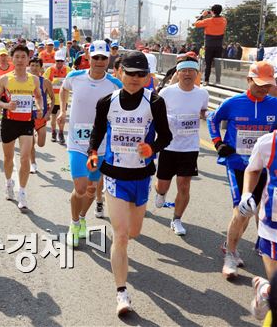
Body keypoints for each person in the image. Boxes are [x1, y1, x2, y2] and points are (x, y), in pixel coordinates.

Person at [87, 51, 172, 315]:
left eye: (140, 74)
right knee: (121, 235)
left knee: (134, 232)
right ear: (118, 72)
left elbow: (166, 136)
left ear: (147, 77)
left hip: (141, 176)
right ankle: (121, 293)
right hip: (114, 174)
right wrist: (92, 153)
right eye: (130, 73)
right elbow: (98, 131)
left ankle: (121, 244)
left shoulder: (155, 102)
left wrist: (153, 148)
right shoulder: (107, 102)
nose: (135, 79)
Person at [207, 61, 277, 279]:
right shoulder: (233, 103)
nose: (263, 89)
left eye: (267, 85)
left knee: (253, 210)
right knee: (242, 209)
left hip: (263, 167)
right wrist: (218, 142)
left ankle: (237, 243)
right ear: (248, 80)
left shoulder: (274, 104)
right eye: (258, 84)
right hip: (237, 164)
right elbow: (212, 118)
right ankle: (230, 254)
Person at [58, 41, 122, 246]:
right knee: (80, 187)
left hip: (100, 144)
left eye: (104, 58)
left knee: (92, 189)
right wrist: (62, 110)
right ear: (89, 57)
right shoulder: (75, 77)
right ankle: (73, 222)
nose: (100, 62)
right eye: (96, 58)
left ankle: (83, 218)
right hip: (77, 141)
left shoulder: (114, 84)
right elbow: (63, 90)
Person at [154, 59, 209, 235]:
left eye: (190, 71)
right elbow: (156, 114)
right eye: (183, 71)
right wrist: (170, 119)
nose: (187, 74)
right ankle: (161, 194)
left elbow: (202, 111)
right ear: (177, 73)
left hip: (190, 147)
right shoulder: (167, 92)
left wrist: (207, 115)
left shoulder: (202, 94)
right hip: (169, 145)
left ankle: (177, 219)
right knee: (162, 184)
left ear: (196, 74)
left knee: (184, 185)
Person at [0, 45, 44, 210]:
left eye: (23, 57)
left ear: (28, 59)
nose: (20, 60)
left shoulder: (33, 79)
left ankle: (22, 191)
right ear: (12, 59)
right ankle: (9, 183)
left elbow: (38, 97)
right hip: (9, 122)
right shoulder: (5, 79)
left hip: (26, 122)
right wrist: (7, 105)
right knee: (8, 159)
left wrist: (39, 107)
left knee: (24, 157)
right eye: (17, 57)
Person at [236, 129, 277, 321]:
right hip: (273, 229)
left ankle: (265, 290)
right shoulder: (268, 142)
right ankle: (269, 291)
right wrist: (246, 194)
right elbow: (253, 169)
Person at [28, 57, 54, 173]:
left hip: (41, 117)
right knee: (30, 143)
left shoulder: (46, 82)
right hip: (27, 117)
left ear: (41, 68)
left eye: (36, 65)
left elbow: (53, 99)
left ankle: (36, 135)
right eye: (32, 65)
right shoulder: (24, 81)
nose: (34, 68)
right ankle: (33, 163)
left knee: (41, 144)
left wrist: (48, 113)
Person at [194, 4, 227, 84]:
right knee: (218, 64)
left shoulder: (208, 21)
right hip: (219, 45)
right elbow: (217, 16)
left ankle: (206, 80)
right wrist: (211, 12)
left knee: (208, 63)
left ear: (212, 11)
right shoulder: (224, 20)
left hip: (209, 45)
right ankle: (218, 80)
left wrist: (202, 15)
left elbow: (196, 24)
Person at [44, 48, 72, 144]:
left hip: (63, 98)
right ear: (55, 60)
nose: (59, 63)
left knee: (62, 118)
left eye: (61, 61)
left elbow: (72, 82)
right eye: (57, 61)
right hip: (52, 99)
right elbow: (44, 82)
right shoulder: (50, 70)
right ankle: (53, 132)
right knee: (53, 119)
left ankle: (60, 133)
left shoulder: (68, 70)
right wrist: (51, 83)